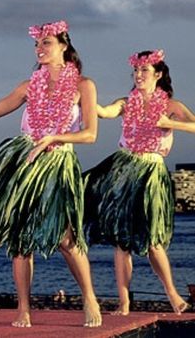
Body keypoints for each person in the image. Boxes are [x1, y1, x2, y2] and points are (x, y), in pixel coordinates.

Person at [0, 21, 101, 328]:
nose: (39, 49)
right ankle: (23, 309)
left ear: (64, 47)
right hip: (24, 162)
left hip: (58, 164)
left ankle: (90, 298)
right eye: (37, 44)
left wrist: (56, 138)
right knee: (20, 243)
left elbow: (90, 134)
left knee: (67, 239)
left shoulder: (84, 85)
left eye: (46, 43)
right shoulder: (29, 86)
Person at [84, 49, 194, 316]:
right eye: (136, 71)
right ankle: (123, 302)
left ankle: (173, 294)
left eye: (144, 70)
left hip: (152, 173)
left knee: (154, 240)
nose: (138, 75)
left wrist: (170, 123)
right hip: (123, 171)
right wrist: (86, 98)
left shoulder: (171, 106)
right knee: (122, 242)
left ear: (158, 74)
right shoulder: (126, 102)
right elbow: (105, 112)